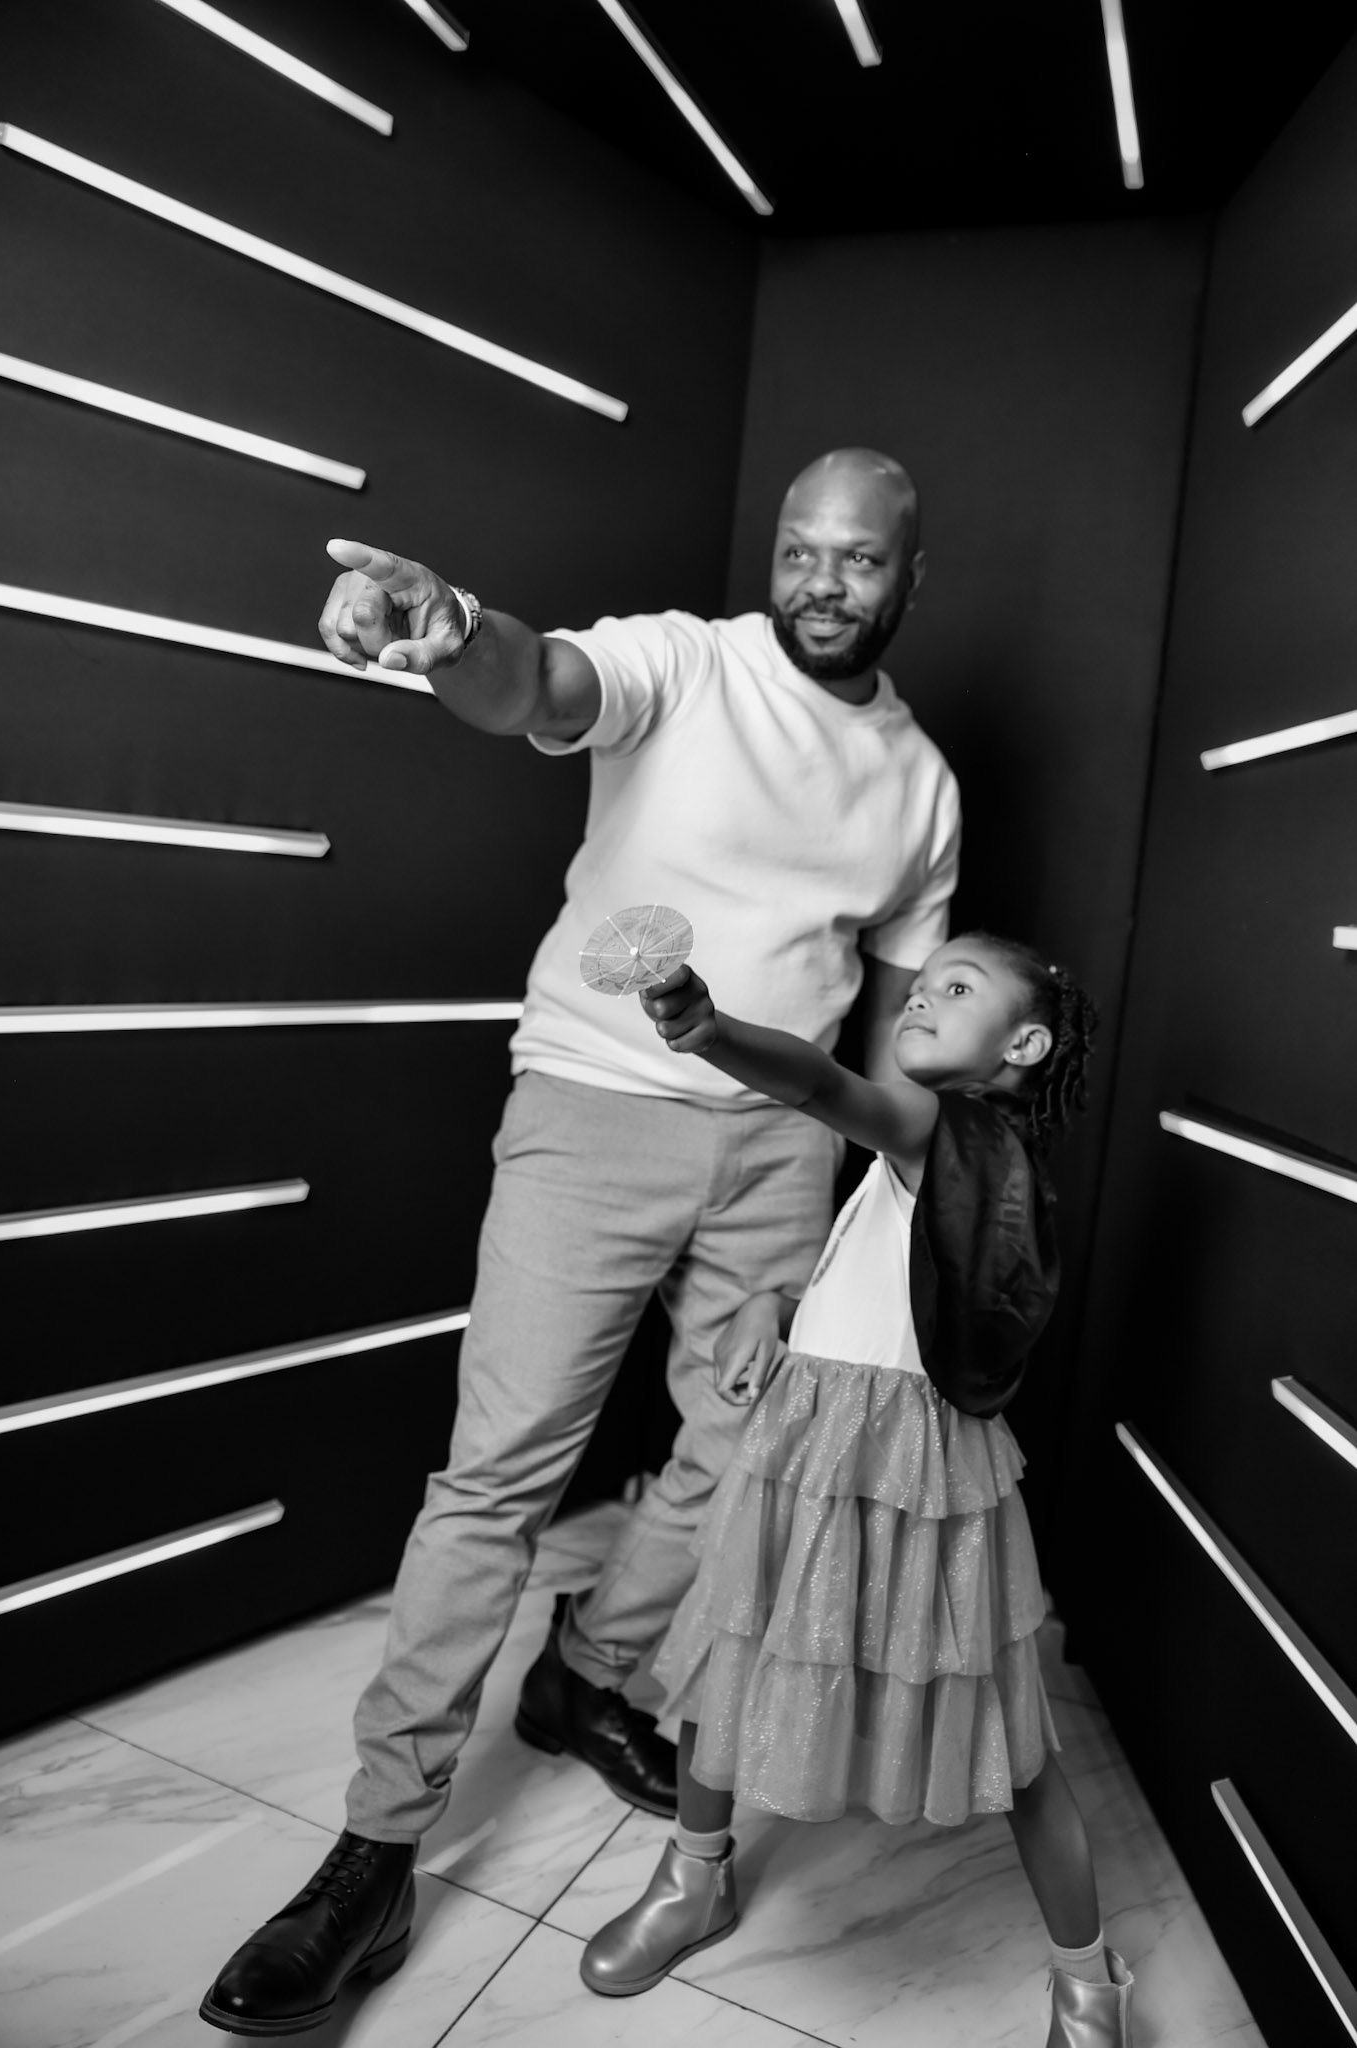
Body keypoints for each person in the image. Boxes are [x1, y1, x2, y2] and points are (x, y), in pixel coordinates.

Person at [200, 450, 961, 2036]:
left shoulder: (921, 786)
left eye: (857, 559)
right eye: (801, 551)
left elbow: (899, 1035)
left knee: (742, 1459)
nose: (822, 583)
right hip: (591, 1113)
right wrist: (449, 624)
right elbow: (537, 680)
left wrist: (884, 1205)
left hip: (780, 1143)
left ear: (908, 575)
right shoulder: (687, 661)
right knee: (496, 1480)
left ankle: (590, 1672)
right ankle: (374, 1853)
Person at [579, 935, 1132, 2048]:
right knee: (734, 1656)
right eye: (919, 985)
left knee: (999, 1731)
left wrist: (713, 1031)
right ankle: (694, 1877)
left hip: (894, 1463)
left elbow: (825, 1086)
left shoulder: (942, 1129)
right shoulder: (943, 1157)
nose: (920, 997)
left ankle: (1088, 1977)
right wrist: (773, 1305)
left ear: (1023, 1045)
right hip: (819, 1440)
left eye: (957, 989)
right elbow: (883, 1284)